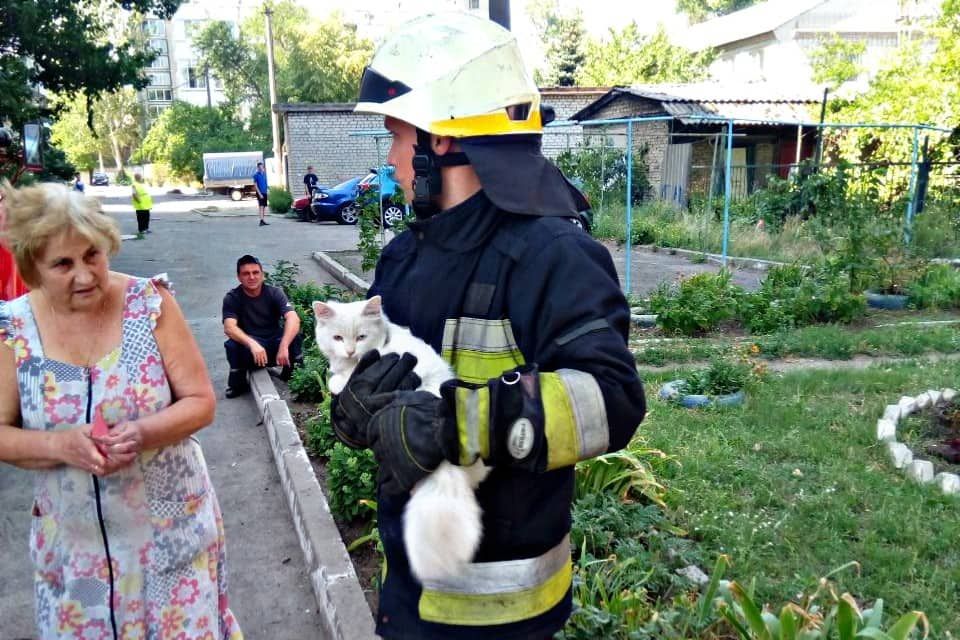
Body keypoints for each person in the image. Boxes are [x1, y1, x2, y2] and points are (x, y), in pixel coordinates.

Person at [332, 13, 646, 640]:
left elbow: (610, 401)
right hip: (410, 593)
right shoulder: (404, 257)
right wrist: (352, 404)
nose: (389, 158)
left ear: (440, 142)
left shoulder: (552, 255)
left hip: (504, 615)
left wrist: (450, 426)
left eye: (396, 136)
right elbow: (371, 372)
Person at [0, 182, 243, 639]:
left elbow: (200, 401)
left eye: (93, 255)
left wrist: (142, 432)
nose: (85, 276)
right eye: (63, 264)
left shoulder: (147, 304)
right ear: (33, 266)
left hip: (171, 543)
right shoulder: (14, 329)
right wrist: (58, 445)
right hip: (79, 561)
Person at [222, 254, 302, 398]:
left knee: (294, 334)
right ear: (239, 277)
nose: (252, 277)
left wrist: (284, 345)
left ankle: (292, 375)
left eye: (255, 272)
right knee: (232, 345)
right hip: (253, 348)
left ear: (262, 275)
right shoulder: (233, 298)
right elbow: (229, 327)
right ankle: (238, 384)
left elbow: (293, 318)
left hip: (275, 344)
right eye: (246, 274)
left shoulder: (274, 293)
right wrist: (252, 344)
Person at [253, 161, 269, 226]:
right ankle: (261, 221)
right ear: (258, 167)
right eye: (260, 167)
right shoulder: (256, 175)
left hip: (265, 192)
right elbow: (255, 185)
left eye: (262, 166)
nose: (261, 168)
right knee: (261, 207)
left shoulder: (264, 174)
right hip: (260, 193)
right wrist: (260, 194)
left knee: (264, 207)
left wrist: (268, 190)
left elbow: (265, 183)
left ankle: (263, 220)